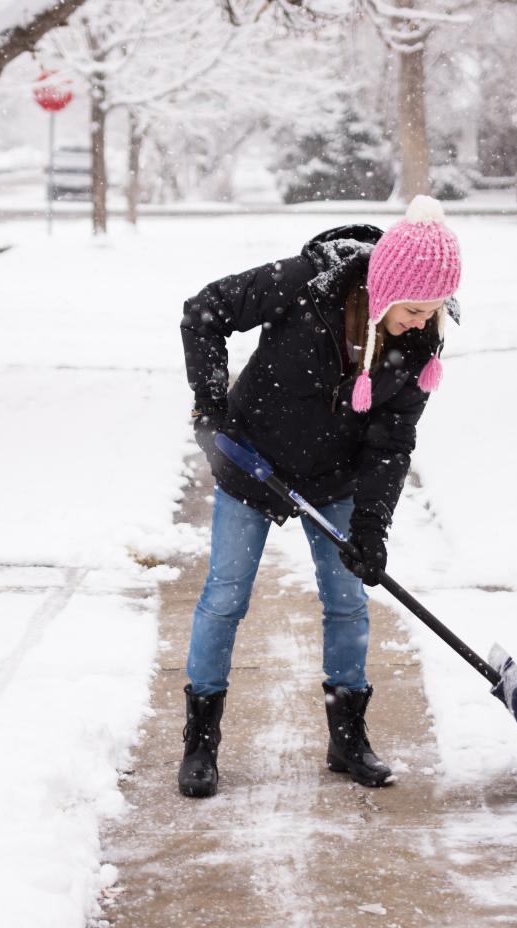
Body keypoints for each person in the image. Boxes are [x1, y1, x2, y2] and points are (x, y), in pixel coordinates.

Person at [177, 194, 462, 798]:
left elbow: (391, 443)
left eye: (433, 312)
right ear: (384, 290)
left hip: (336, 479)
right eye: (413, 309)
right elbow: (205, 311)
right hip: (252, 462)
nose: (421, 322)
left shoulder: (419, 344)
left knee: (347, 600)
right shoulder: (305, 285)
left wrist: (372, 531)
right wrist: (209, 403)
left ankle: (348, 738)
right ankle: (200, 743)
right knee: (225, 597)